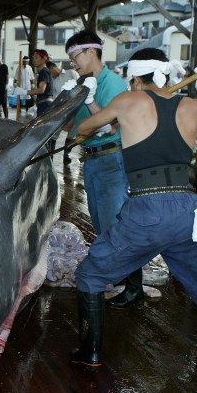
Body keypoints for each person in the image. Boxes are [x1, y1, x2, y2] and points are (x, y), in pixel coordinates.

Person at [72, 48, 197, 393]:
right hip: (187, 208)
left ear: (136, 78)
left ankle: (91, 352)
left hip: (146, 207)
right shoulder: (191, 106)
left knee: (91, 275)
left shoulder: (129, 100)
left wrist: (88, 96)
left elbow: (86, 126)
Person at [62, 30, 141, 307]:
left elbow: (114, 125)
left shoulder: (113, 84)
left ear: (91, 52)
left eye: (75, 56)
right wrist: (62, 107)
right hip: (91, 160)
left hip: (111, 159)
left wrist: (89, 100)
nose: (73, 63)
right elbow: (72, 129)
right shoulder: (85, 85)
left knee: (116, 224)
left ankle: (134, 285)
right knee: (100, 223)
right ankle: (118, 275)